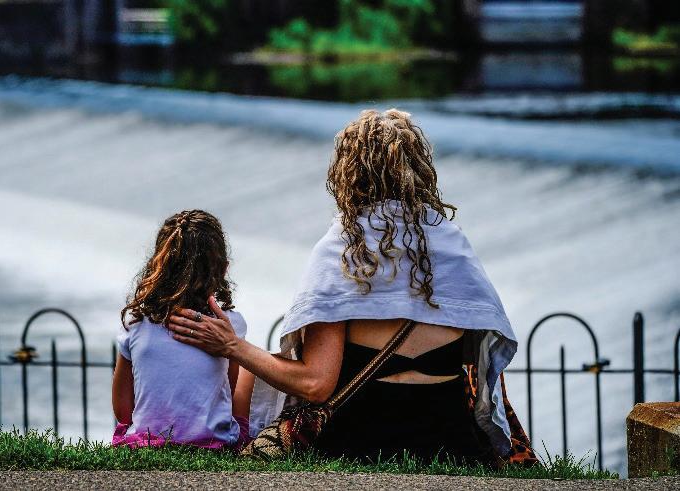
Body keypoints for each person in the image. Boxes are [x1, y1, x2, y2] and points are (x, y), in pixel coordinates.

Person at [169, 109, 528, 464]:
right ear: (419, 169)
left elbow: (315, 384)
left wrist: (232, 345)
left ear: (348, 172)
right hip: (451, 443)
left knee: (252, 367)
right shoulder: (453, 247)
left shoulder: (342, 250)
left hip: (360, 440)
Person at [111, 210, 252, 449]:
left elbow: (123, 408)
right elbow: (228, 388)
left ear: (157, 265)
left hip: (145, 441)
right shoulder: (229, 323)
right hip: (214, 444)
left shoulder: (136, 320)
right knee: (250, 369)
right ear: (223, 269)